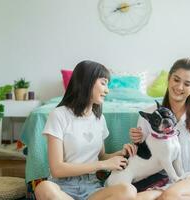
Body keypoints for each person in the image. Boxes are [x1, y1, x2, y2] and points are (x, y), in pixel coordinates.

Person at [34, 60, 139, 200]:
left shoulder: (99, 119)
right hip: (63, 187)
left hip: (92, 187)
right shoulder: (59, 115)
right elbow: (57, 169)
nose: (107, 90)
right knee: (44, 188)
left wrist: (120, 153)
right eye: (103, 83)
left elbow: (102, 156)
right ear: (87, 82)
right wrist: (103, 164)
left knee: (128, 191)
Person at [130, 57, 190, 200]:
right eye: (176, 80)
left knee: (170, 197)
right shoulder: (149, 115)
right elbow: (144, 158)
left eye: (187, 83)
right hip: (165, 179)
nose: (179, 87)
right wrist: (137, 143)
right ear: (169, 79)